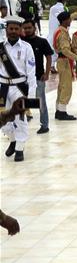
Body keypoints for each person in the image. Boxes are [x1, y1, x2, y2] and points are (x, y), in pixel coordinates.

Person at [1, 17, 36, 162]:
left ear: (20, 30)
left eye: (16, 29)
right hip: (3, 87)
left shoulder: (26, 47)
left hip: (19, 88)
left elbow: (31, 73)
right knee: (3, 119)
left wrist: (31, 96)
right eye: (11, 29)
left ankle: (20, 148)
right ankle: (13, 139)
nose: (13, 31)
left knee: (20, 118)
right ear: (6, 30)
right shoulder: (1, 47)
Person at [20, 17, 53, 134]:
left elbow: (49, 57)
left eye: (29, 28)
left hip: (39, 77)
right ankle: (21, 125)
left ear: (35, 28)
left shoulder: (42, 42)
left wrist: (47, 73)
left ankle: (44, 125)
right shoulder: (21, 42)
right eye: (25, 28)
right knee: (20, 101)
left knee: (41, 101)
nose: (27, 30)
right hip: (22, 78)